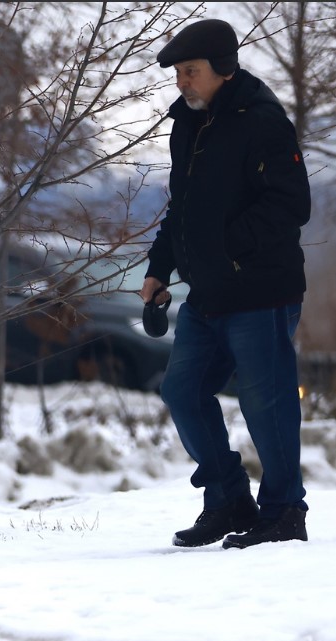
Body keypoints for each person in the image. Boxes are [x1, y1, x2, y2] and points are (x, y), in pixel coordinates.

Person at [142, 18, 311, 549]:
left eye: (190, 72)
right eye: (178, 73)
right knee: (183, 391)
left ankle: (284, 511)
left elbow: (291, 205)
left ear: (223, 68)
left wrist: (223, 249)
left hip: (260, 292)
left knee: (266, 401)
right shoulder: (188, 123)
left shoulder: (263, 122)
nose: (182, 82)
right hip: (207, 295)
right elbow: (182, 208)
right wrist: (158, 268)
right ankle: (228, 499)